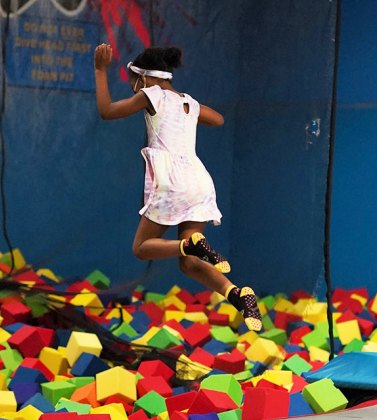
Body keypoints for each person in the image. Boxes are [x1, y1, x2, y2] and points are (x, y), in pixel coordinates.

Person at [93, 43, 262, 331]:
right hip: (198, 179)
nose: (134, 86)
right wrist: (192, 110)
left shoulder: (151, 95)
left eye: (135, 80)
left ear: (145, 77)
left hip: (169, 179)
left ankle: (189, 244)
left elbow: (107, 111)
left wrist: (100, 70)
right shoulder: (188, 102)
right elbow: (218, 119)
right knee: (189, 262)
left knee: (143, 247)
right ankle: (237, 294)